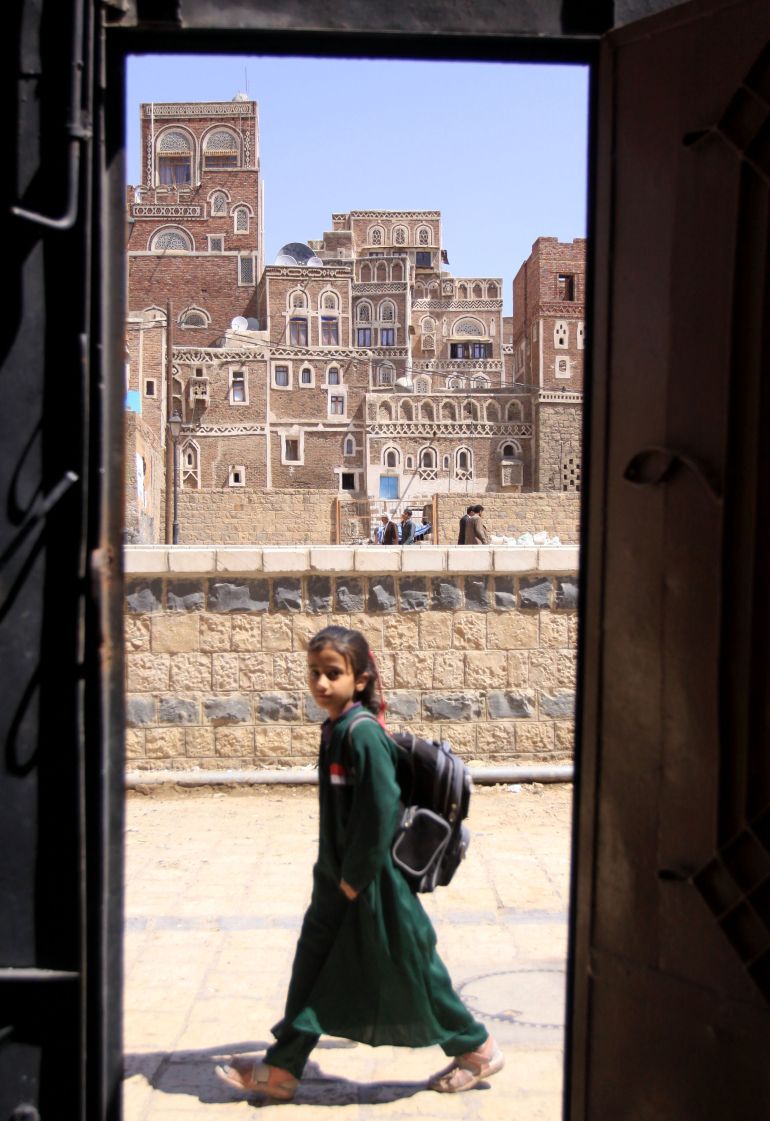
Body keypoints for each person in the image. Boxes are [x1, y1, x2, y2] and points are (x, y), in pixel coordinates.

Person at [215, 625, 503, 1102]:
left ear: (361, 680)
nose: (321, 684)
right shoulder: (335, 730)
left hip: (369, 884)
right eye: (314, 673)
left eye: (333, 673)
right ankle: (283, 1068)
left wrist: (353, 880)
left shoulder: (362, 735)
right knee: (313, 967)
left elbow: (379, 810)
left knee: (413, 966)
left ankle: (477, 1048)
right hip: (336, 880)